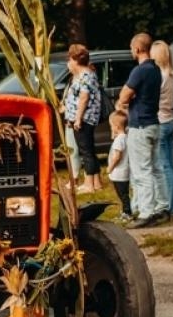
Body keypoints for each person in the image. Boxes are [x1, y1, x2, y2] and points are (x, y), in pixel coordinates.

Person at [113, 32, 166, 227]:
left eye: (131, 48)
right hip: (153, 122)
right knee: (156, 168)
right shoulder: (156, 70)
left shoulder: (139, 71)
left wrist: (121, 103)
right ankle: (162, 207)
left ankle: (146, 212)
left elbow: (125, 94)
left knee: (141, 171)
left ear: (137, 49)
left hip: (140, 125)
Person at [62, 44, 104, 193]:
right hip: (82, 117)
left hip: (84, 119)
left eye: (70, 58)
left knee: (85, 151)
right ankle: (96, 183)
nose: (69, 61)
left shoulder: (85, 75)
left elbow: (84, 97)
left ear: (75, 60)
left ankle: (89, 184)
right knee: (89, 150)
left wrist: (78, 119)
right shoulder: (83, 75)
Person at [152, 39, 173, 217]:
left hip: (160, 120)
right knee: (171, 164)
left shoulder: (160, 77)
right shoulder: (171, 75)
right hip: (170, 120)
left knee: (164, 166)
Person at [106, 110, 132, 219]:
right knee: (124, 194)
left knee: (123, 195)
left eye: (111, 126)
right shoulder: (125, 137)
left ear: (116, 127)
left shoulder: (119, 141)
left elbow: (117, 156)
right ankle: (125, 212)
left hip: (118, 173)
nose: (111, 128)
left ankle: (127, 213)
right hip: (124, 172)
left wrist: (110, 168)